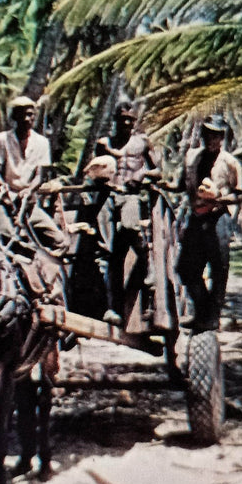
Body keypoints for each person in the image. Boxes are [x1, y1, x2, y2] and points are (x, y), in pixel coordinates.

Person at [94, 102, 160, 324]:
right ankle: (109, 308)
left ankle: (147, 262)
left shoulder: (142, 143)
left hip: (130, 195)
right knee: (105, 251)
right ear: (115, 119)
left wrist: (141, 175)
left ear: (135, 120)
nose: (125, 122)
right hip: (107, 196)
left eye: (129, 119)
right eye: (121, 118)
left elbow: (158, 170)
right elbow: (95, 168)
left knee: (132, 227)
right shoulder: (105, 143)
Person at [176, 115, 242, 332]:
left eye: (215, 135)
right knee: (186, 269)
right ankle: (203, 311)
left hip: (218, 219)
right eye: (207, 134)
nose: (210, 139)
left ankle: (212, 317)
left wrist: (218, 198)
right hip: (196, 218)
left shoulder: (230, 163)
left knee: (218, 269)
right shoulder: (192, 157)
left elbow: (238, 195)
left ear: (222, 138)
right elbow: (180, 185)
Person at [0, 96, 67, 255]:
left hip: (28, 204)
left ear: (34, 116)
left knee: (62, 242)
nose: (26, 118)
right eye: (21, 114)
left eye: (30, 114)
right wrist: (2, 186)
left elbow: (39, 176)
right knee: (7, 238)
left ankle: (40, 269)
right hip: (5, 202)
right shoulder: (3, 139)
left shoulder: (42, 142)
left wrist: (29, 190)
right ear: (14, 117)